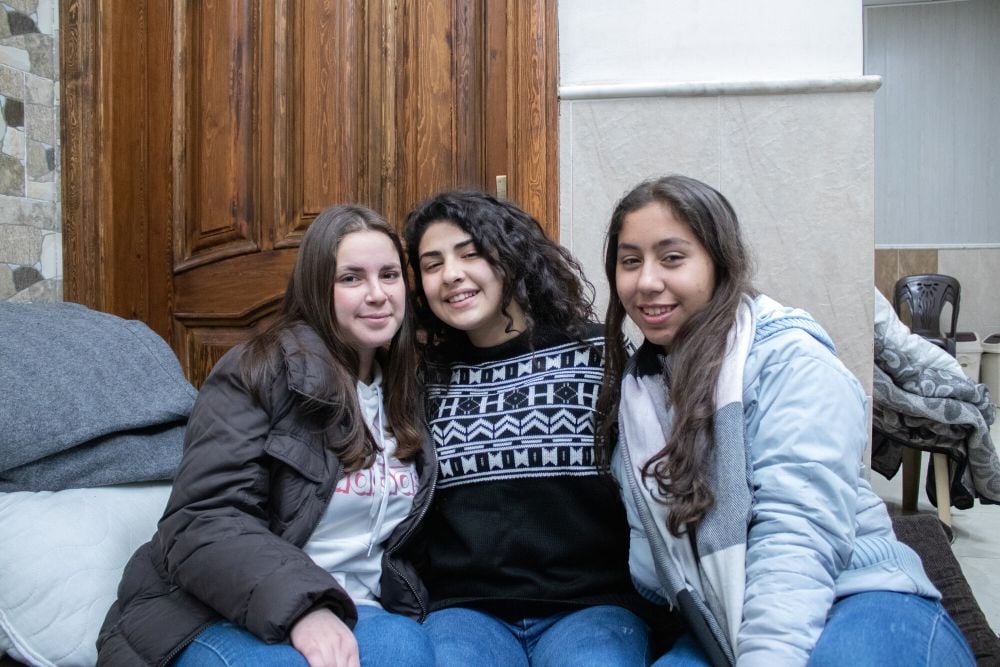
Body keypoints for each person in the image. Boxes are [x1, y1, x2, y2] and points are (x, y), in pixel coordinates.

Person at [597, 174, 975, 666]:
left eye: (672, 258)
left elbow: (798, 534)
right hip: (724, 617)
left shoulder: (788, 359)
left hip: (858, 594)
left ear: (719, 263)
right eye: (631, 262)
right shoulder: (641, 390)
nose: (647, 281)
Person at [96, 205, 436, 667]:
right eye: (351, 278)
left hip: (358, 608)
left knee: (406, 649)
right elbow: (203, 518)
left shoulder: (407, 390)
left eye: (390, 275)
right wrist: (305, 609)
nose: (377, 294)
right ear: (318, 288)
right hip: (214, 609)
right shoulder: (257, 371)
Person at [402, 190, 664, 666]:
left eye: (470, 253)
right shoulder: (427, 380)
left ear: (510, 257)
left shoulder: (593, 354)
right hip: (467, 611)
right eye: (432, 264)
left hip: (592, 607)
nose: (452, 275)